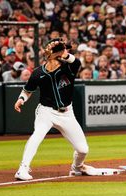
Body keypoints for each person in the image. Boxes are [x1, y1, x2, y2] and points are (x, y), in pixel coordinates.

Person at [13, 38, 94, 181]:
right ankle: (23, 168)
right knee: (37, 135)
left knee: (83, 149)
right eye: (60, 49)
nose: (64, 51)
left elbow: (77, 62)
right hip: (46, 112)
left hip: (67, 113)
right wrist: (21, 99)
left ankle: (77, 168)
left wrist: (65, 55)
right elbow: (27, 90)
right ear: (51, 53)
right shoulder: (38, 73)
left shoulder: (68, 67)